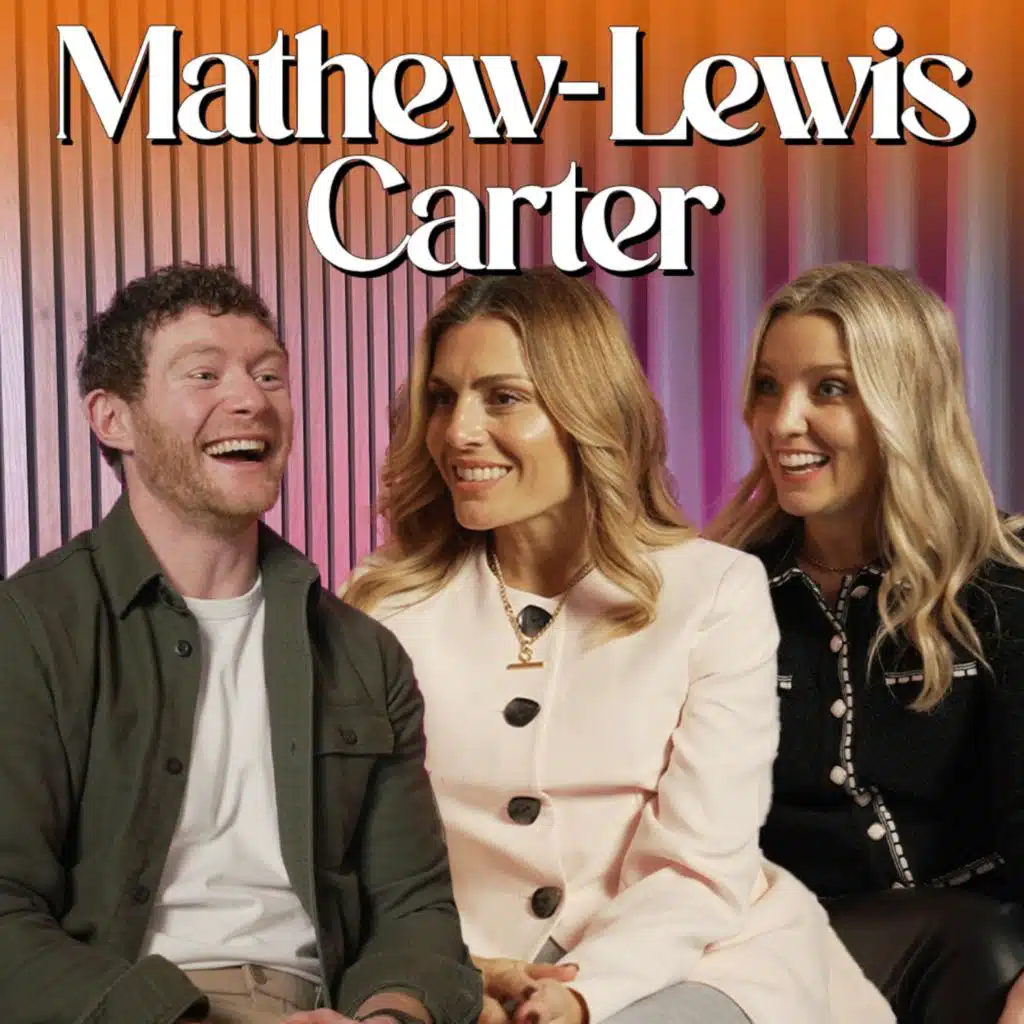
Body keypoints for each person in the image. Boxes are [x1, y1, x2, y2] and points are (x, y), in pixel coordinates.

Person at [341, 268, 894, 1024]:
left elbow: (699, 866)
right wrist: (461, 973)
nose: (459, 431)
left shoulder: (715, 590)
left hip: (697, 962)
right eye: (442, 398)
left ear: (586, 409)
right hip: (465, 977)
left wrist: (578, 994)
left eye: (502, 398)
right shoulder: (382, 605)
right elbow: (348, 858)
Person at [0, 264, 482, 1024]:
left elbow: (415, 913)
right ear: (112, 418)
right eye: (204, 374)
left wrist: (388, 1018)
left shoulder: (364, 654)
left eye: (268, 375)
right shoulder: (30, 629)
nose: (250, 400)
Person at [706, 261, 1024, 1024]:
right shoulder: (720, 592)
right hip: (774, 965)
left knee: (979, 939)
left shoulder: (1005, 587)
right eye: (767, 387)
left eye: (830, 389)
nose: (783, 422)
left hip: (978, 965)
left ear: (905, 402)